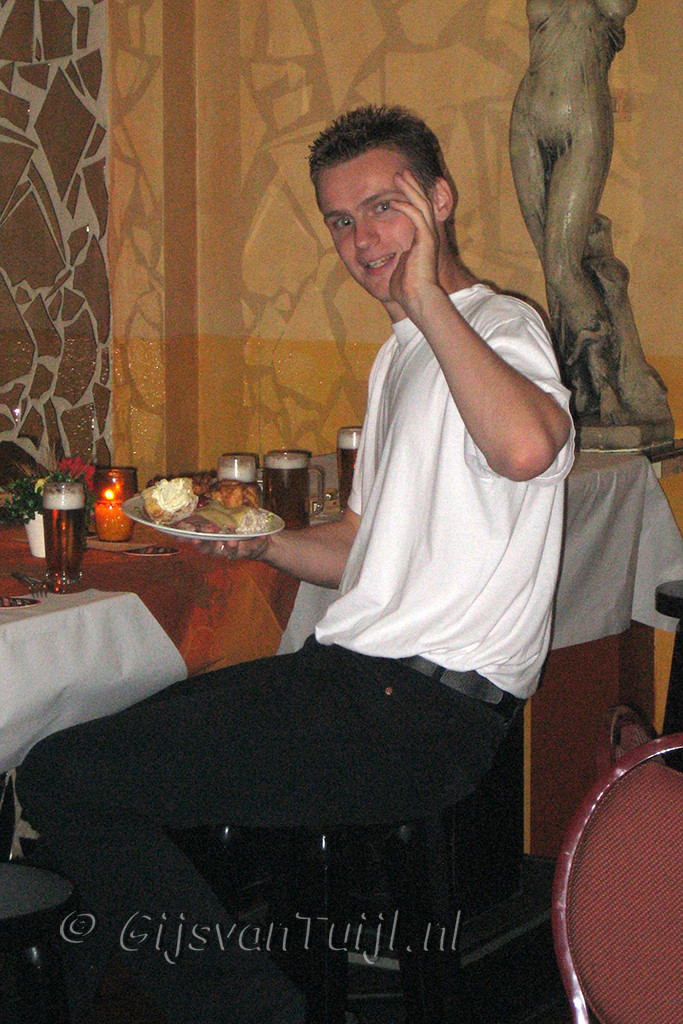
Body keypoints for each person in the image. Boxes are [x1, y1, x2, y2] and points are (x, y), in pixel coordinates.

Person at [16, 105, 574, 1023]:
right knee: (84, 753)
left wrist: (428, 298)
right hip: (356, 683)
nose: (362, 240)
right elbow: (358, 544)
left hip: (417, 714)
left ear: (439, 201)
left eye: (384, 207)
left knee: (63, 779)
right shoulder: (402, 358)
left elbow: (525, 450)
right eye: (341, 220)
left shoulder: (498, 328)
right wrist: (259, 541)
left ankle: (254, 1012)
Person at [509, 0, 645, 424]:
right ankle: (576, 387)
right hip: (527, 120)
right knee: (551, 268)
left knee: (562, 266)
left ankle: (607, 386)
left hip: (583, 120)